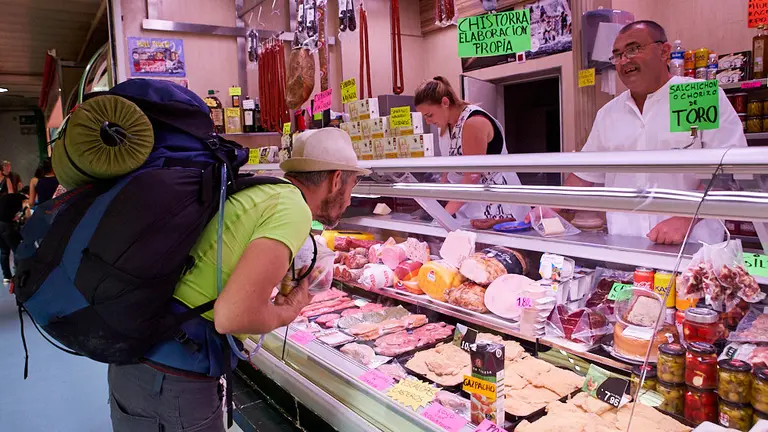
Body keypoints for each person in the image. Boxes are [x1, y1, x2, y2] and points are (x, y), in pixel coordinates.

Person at [107, 128, 369, 432]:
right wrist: (289, 309)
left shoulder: (265, 190)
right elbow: (232, 316)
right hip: (173, 381)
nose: (350, 198)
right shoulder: (293, 209)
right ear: (336, 179)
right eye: (354, 184)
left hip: (140, 360)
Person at [564, 20, 746, 245]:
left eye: (633, 49)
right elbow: (584, 175)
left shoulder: (700, 96)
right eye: (617, 55)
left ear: (664, 51)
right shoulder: (608, 114)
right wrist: (543, 208)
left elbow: (731, 173)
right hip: (625, 246)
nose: (624, 61)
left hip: (694, 250)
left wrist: (685, 217)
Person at [414, 76, 529, 223]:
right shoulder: (445, 125)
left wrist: (440, 217)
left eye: (429, 115)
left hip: (499, 207)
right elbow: (447, 166)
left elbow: (472, 177)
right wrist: (439, 195)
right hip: (470, 204)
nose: (427, 121)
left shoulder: (474, 123)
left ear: (445, 102)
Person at [0, 192, 28, 282]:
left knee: (4, 252)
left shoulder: (7, 197)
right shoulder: (21, 199)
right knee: (17, 250)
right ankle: (18, 274)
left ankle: (6, 276)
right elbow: (27, 213)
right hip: (7, 225)